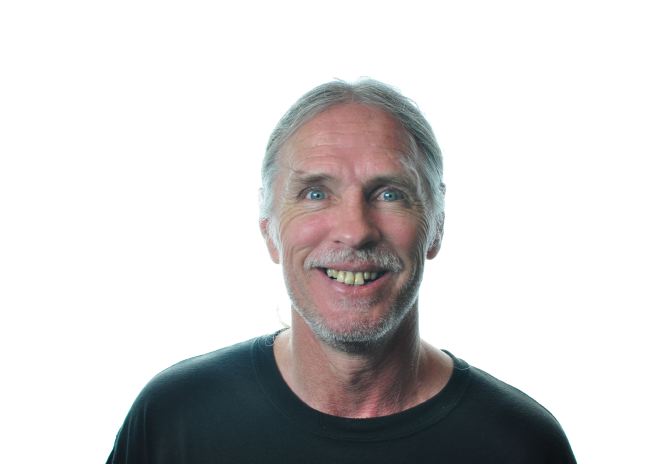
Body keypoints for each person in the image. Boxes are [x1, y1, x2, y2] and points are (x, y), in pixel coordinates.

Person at [107, 79, 576, 463]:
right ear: (269, 229)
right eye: (315, 193)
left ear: (436, 227)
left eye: (390, 194)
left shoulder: (520, 445)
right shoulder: (174, 419)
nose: (355, 231)